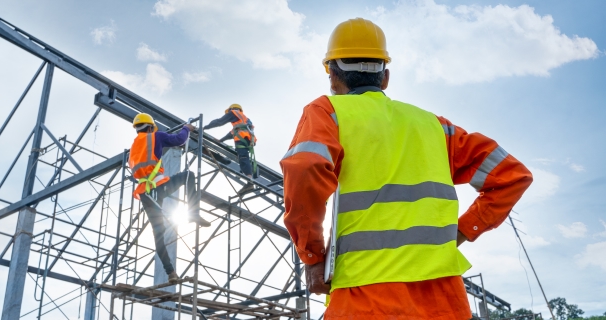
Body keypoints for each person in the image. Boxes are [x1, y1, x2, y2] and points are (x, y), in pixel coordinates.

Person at [279, 18, 533, 319]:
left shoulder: (326, 112)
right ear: (385, 77)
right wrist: (463, 231)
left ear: (332, 76)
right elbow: (512, 175)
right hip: (444, 298)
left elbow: (306, 167)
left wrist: (312, 256)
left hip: (366, 294)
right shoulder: (434, 126)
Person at [128, 113, 211, 282]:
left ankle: (171, 273)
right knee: (189, 175)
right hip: (158, 186)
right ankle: (193, 213)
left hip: (145, 192)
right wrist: (186, 128)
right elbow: (179, 140)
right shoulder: (156, 136)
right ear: (150, 127)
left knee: (158, 233)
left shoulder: (134, 146)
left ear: (137, 129)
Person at [204, 104, 258, 194]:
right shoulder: (243, 121)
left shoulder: (233, 112)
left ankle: (249, 181)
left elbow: (219, 122)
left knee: (243, 158)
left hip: (242, 139)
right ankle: (249, 180)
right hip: (247, 140)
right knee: (243, 157)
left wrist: (204, 127)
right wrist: (221, 140)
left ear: (231, 109)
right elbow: (231, 133)